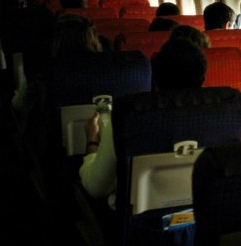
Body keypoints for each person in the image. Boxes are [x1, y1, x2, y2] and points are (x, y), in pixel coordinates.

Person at [80, 37, 208, 209]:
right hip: (199, 224)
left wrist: (92, 140)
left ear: (154, 79)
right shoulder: (226, 114)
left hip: (134, 230)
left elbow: (95, 188)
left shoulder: (129, 117)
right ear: (203, 79)